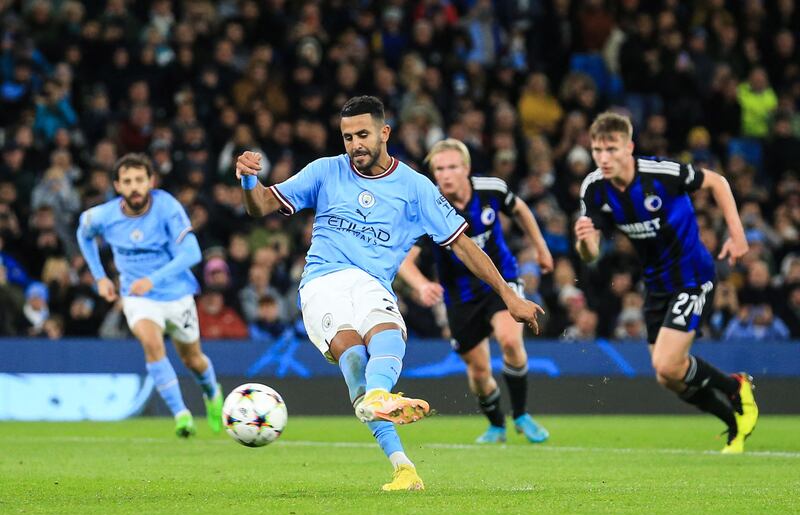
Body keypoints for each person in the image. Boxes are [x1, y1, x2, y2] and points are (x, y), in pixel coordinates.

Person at [235, 96, 543, 491]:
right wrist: (247, 180)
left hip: (372, 282)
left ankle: (402, 462)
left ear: (384, 133)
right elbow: (260, 204)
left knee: (387, 336)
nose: (355, 145)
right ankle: (399, 457)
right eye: (347, 137)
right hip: (322, 281)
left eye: (363, 135)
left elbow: (463, 244)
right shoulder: (325, 171)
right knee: (353, 359)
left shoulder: (415, 187)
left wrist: (508, 296)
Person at [574, 112, 758, 453]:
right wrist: (585, 241)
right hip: (656, 284)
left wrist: (737, 235)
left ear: (629, 147)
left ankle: (735, 388)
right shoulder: (595, 188)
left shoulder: (661, 173)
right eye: (597, 150)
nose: (603, 157)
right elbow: (589, 254)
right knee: (666, 377)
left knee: (667, 364)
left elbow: (717, 181)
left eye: (611, 149)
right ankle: (733, 422)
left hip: (693, 276)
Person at [397, 138, 554, 444]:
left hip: (502, 282)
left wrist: (541, 246)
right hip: (460, 298)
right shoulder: (428, 207)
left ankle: (521, 415)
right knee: (479, 374)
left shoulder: (491, 188)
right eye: (439, 169)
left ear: (466, 168)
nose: (446, 174)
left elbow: (519, 208)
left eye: (452, 167)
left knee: (510, 340)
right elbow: (406, 261)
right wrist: (422, 284)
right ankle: (497, 424)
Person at [76, 153, 223, 438]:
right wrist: (100, 277)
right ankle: (182, 416)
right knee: (151, 343)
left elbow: (192, 253)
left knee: (193, 359)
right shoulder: (103, 216)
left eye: (140, 180)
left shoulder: (167, 207)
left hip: (177, 293)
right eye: (127, 181)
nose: (134, 187)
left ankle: (212, 393)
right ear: (117, 186)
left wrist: (152, 279)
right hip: (137, 297)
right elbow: (83, 233)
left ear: (150, 182)